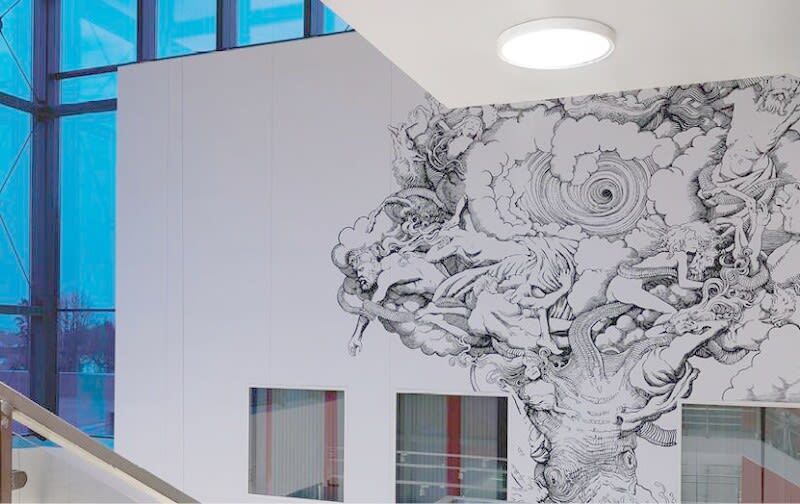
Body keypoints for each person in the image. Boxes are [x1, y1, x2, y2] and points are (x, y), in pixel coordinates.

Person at [606, 221, 720, 320]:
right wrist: (709, 283)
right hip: (627, 287)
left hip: (618, 283)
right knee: (672, 312)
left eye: (697, 240)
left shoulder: (670, 253)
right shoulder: (681, 255)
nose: (695, 243)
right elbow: (684, 283)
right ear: (682, 238)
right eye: (691, 239)